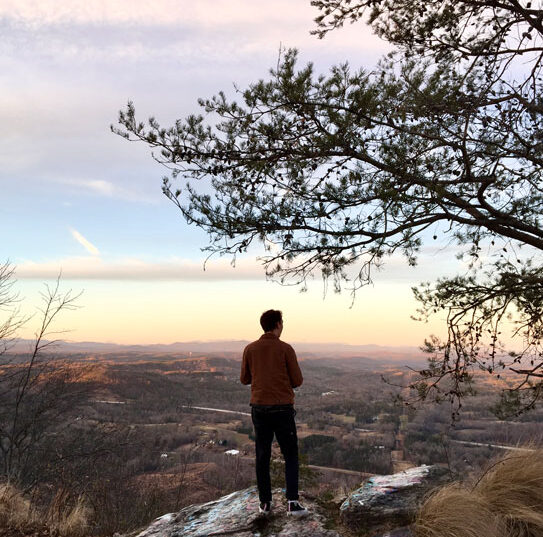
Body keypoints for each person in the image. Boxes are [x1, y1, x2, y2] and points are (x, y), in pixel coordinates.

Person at [240, 309, 308, 517]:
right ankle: (292, 503)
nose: (283, 325)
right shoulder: (285, 349)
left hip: (259, 409)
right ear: (277, 324)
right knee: (290, 455)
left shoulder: (250, 349)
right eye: (282, 322)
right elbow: (297, 380)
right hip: (282, 409)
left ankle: (265, 504)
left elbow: (244, 379)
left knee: (262, 455)